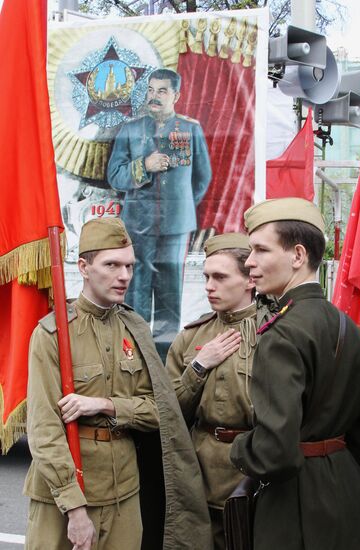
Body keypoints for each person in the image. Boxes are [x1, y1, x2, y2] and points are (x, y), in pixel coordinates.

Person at [24, 217, 212, 550]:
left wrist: (106, 405)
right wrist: (75, 508)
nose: (124, 276)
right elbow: (43, 430)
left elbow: (161, 411)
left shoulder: (134, 327)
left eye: (128, 266)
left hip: (123, 491)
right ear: (83, 266)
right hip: (63, 496)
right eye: (111, 265)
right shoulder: (53, 334)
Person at [230, 198, 360, 550]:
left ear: (297, 255)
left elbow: (274, 452)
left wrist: (238, 448)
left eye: (261, 250)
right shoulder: (346, 327)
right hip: (350, 495)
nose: (249, 262)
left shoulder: (283, 332)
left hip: (295, 506)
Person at [107, 68, 212, 361]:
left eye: (162, 91)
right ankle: (134, 359)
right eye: (151, 90)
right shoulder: (130, 129)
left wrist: (178, 207)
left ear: (176, 95)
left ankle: (165, 363)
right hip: (137, 225)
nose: (154, 97)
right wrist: (144, 166)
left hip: (175, 228)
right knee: (135, 291)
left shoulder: (190, 129)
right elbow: (114, 176)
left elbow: (202, 178)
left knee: (169, 295)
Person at [167, 233, 257, 549]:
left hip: (250, 478)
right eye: (206, 276)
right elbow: (168, 413)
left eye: (220, 276)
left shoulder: (274, 333)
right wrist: (199, 367)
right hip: (197, 480)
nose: (208, 285)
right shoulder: (190, 338)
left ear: (250, 280)